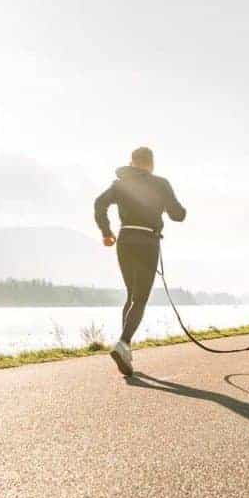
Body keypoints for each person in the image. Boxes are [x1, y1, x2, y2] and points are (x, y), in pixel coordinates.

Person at [94, 146, 186, 375]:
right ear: (151, 163)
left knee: (131, 294)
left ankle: (125, 348)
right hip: (147, 240)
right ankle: (123, 343)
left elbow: (99, 204)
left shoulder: (120, 184)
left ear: (132, 162)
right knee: (141, 298)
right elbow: (178, 214)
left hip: (124, 239)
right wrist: (168, 206)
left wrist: (106, 232)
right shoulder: (161, 183)